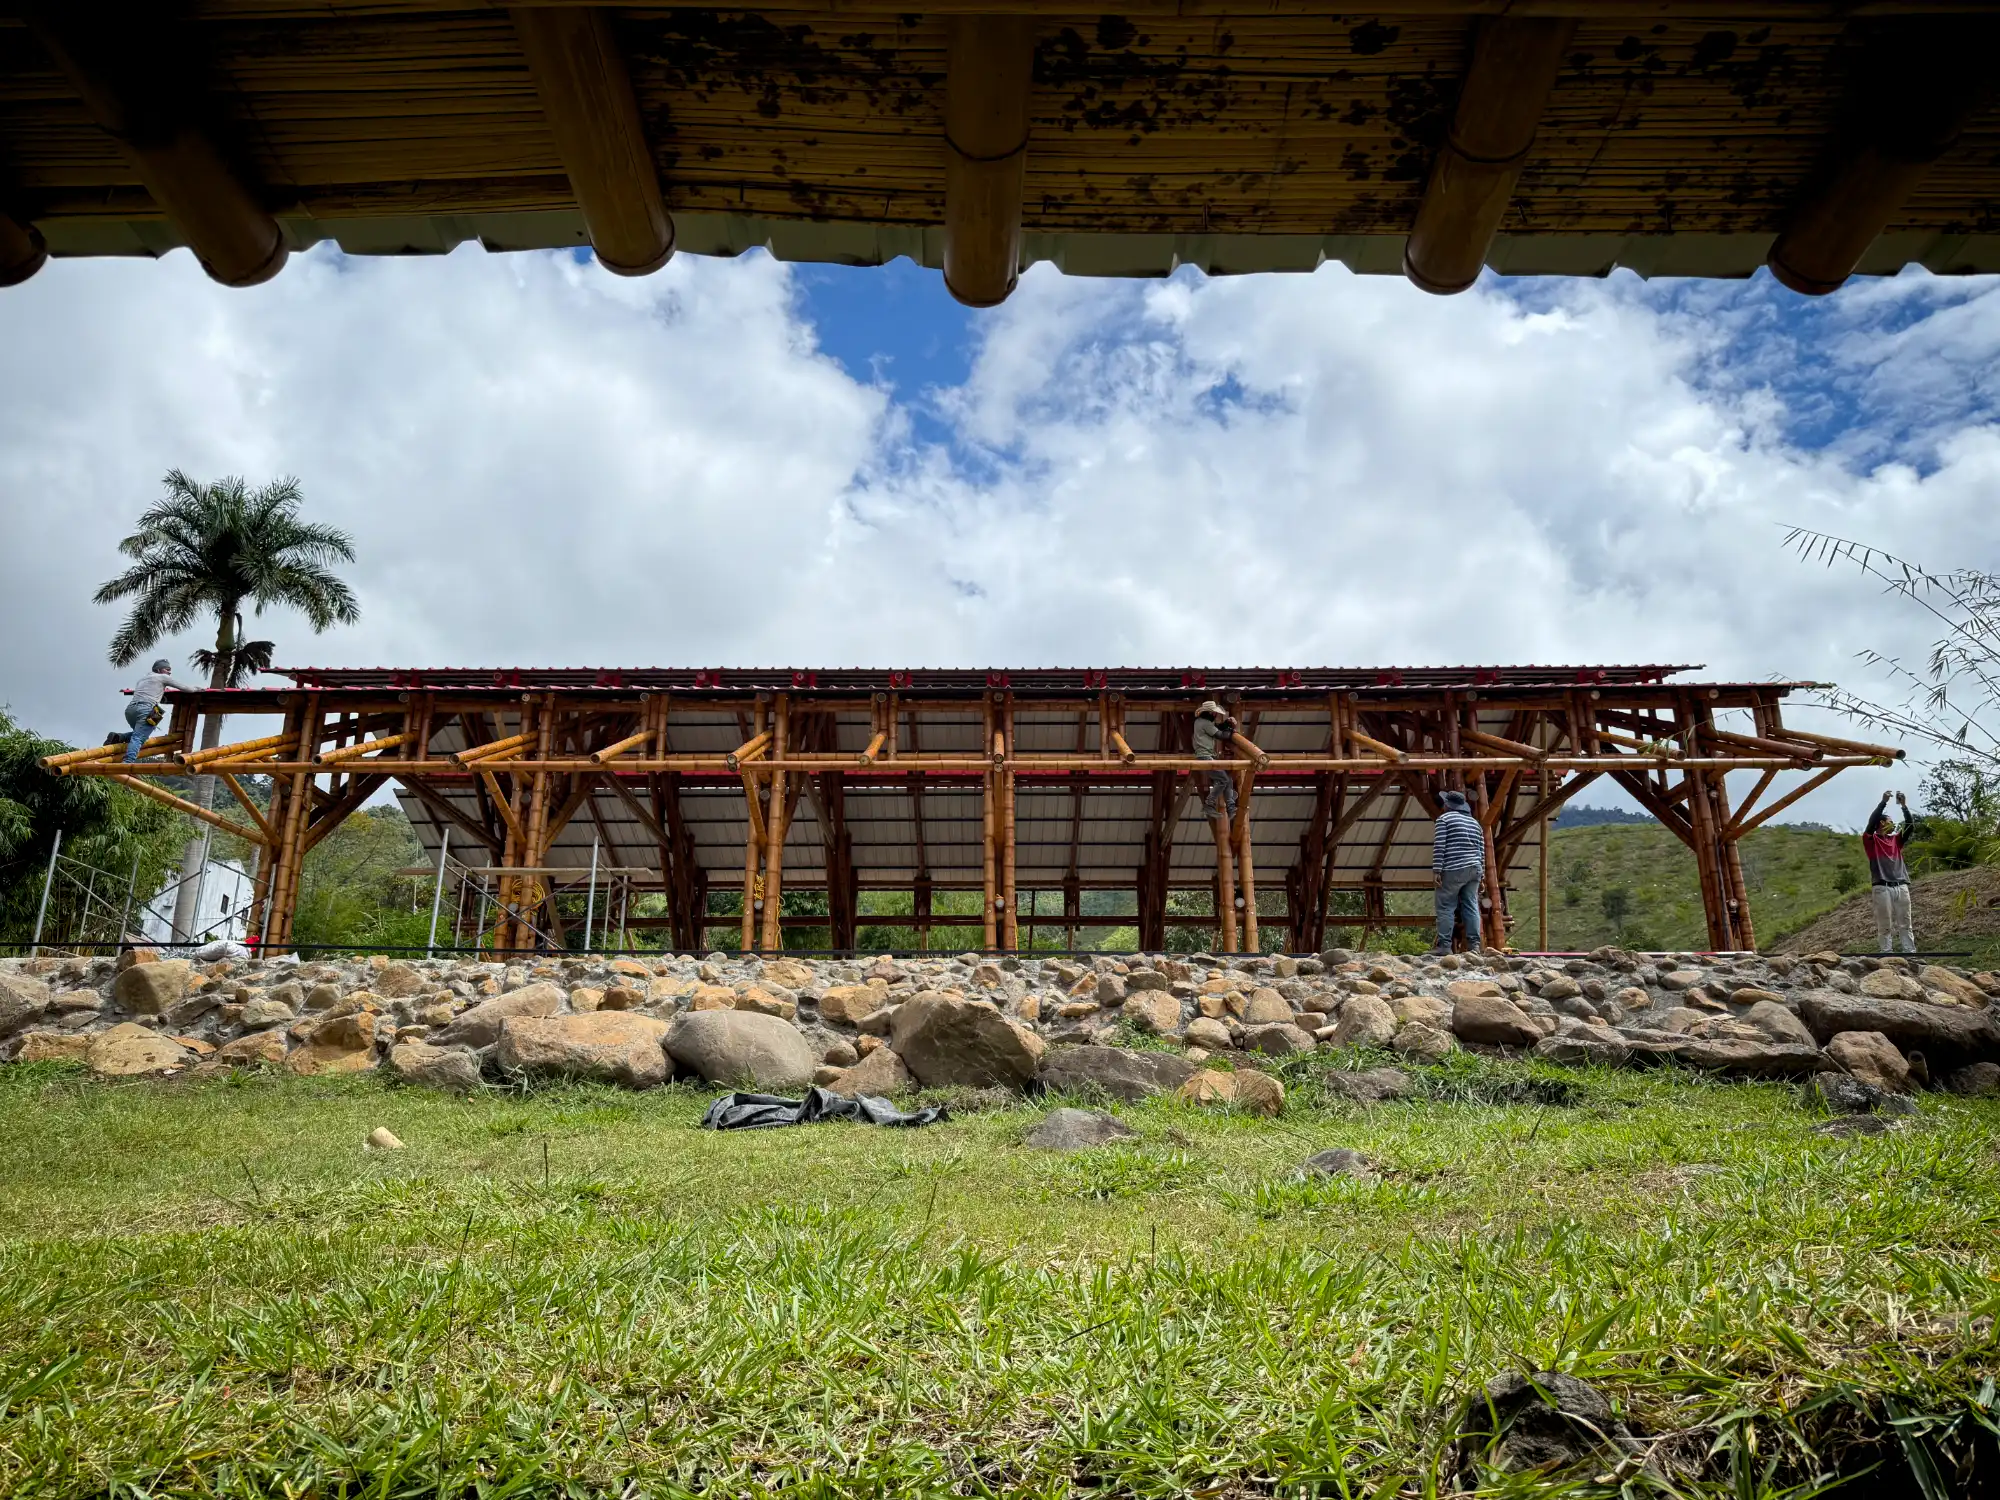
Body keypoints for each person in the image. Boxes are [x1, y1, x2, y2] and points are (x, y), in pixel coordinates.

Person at [1432, 787, 1486, 953]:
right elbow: (1481, 850)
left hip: (1454, 868)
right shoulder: (1475, 823)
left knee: (1446, 906)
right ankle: (1474, 946)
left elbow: (1440, 846)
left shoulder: (1444, 820)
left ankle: (1444, 946)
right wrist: (1481, 875)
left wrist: (1436, 870)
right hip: (1474, 869)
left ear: (1447, 805)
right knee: (1471, 905)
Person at [1862, 790, 1916, 955]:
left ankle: (1910, 952)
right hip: (1882, 887)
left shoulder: (1896, 840)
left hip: (1901, 886)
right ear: (1881, 824)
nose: (1893, 824)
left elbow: (1910, 826)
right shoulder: (1871, 840)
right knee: (1885, 924)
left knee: (1905, 922)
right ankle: (1887, 953)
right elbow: (1871, 823)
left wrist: (1904, 806)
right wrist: (1883, 802)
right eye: (1889, 821)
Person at [123, 659, 192, 763]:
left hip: (130, 710)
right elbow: (187, 688)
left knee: (139, 734)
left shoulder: (142, 679)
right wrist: (198, 688)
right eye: (167, 669)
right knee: (139, 737)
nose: (169, 672)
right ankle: (128, 762)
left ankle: (119, 737)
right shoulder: (163, 677)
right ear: (159, 670)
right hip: (147, 709)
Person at [1192, 699, 1239, 822]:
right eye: (1214, 713)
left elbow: (1217, 728)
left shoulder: (1199, 722)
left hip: (1205, 756)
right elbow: (1220, 735)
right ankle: (1210, 803)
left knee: (1226, 779)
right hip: (1205, 756)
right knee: (1224, 780)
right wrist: (1231, 730)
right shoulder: (1206, 724)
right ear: (1211, 713)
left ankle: (1230, 806)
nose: (1216, 715)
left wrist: (1227, 725)